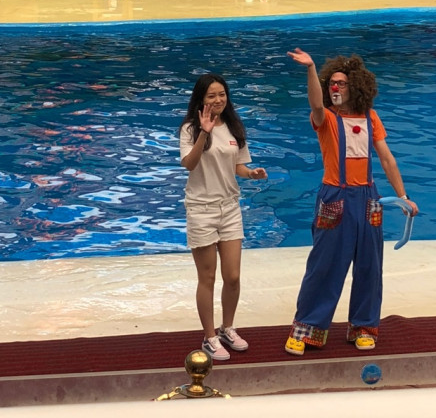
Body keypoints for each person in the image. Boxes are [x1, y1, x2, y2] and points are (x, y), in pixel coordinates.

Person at [284, 49, 418, 356]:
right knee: (324, 267)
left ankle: (363, 327)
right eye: (331, 83)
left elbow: (386, 159)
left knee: (370, 267)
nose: (335, 87)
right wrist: (311, 68)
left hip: (369, 200)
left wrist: (404, 197)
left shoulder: (371, 118)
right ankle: (307, 328)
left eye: (341, 83)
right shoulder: (326, 118)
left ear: (355, 86)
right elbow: (315, 103)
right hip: (336, 197)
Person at [179, 73, 267, 361]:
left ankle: (227, 327)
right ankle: (209, 337)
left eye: (222, 94)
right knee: (207, 277)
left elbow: (238, 165)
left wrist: (251, 173)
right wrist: (204, 133)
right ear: (201, 99)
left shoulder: (233, 126)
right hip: (201, 209)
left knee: (233, 276)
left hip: (229, 208)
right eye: (211, 96)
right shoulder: (190, 128)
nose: (218, 100)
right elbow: (189, 164)